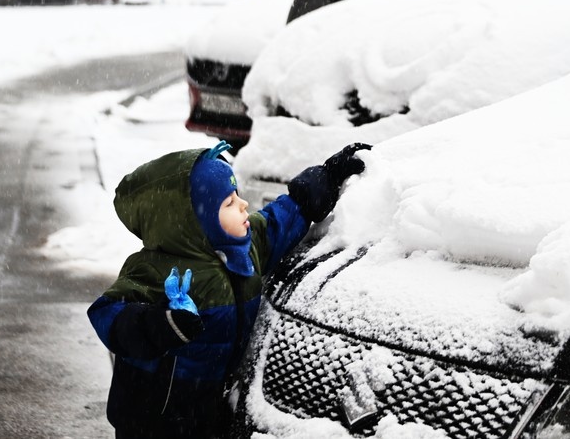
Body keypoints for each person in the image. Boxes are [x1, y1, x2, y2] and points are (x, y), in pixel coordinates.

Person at [87, 140, 370, 439]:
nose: (243, 205)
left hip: (207, 410)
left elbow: (281, 219)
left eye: (238, 196)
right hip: (152, 418)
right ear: (196, 222)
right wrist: (158, 324)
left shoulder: (245, 248)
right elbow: (107, 313)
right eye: (229, 203)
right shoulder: (157, 268)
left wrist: (327, 177)